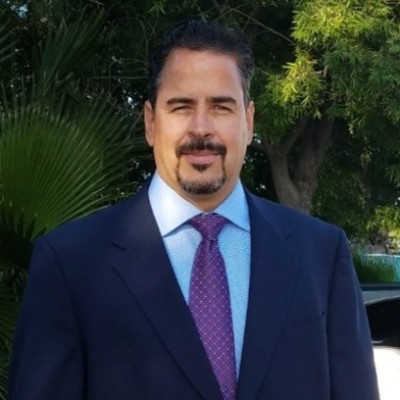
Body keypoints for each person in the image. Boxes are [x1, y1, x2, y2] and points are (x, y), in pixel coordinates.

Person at [9, 20, 379, 400]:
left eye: (221, 107)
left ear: (248, 121)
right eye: (182, 106)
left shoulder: (320, 255)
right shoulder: (71, 264)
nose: (201, 128)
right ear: (151, 123)